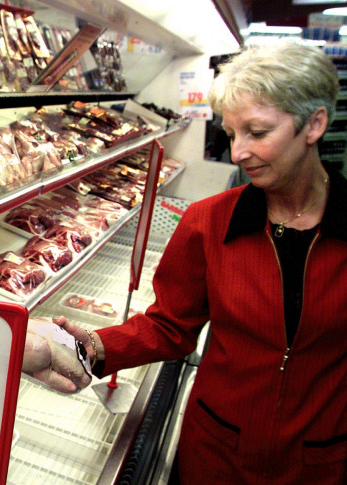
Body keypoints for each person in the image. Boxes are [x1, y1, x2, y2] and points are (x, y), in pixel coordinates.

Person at [59, 42, 347, 483]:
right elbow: (170, 326)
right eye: (232, 134)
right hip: (215, 457)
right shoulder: (208, 223)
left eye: (257, 132)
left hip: (319, 464)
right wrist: (95, 347)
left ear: (315, 125)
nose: (237, 153)